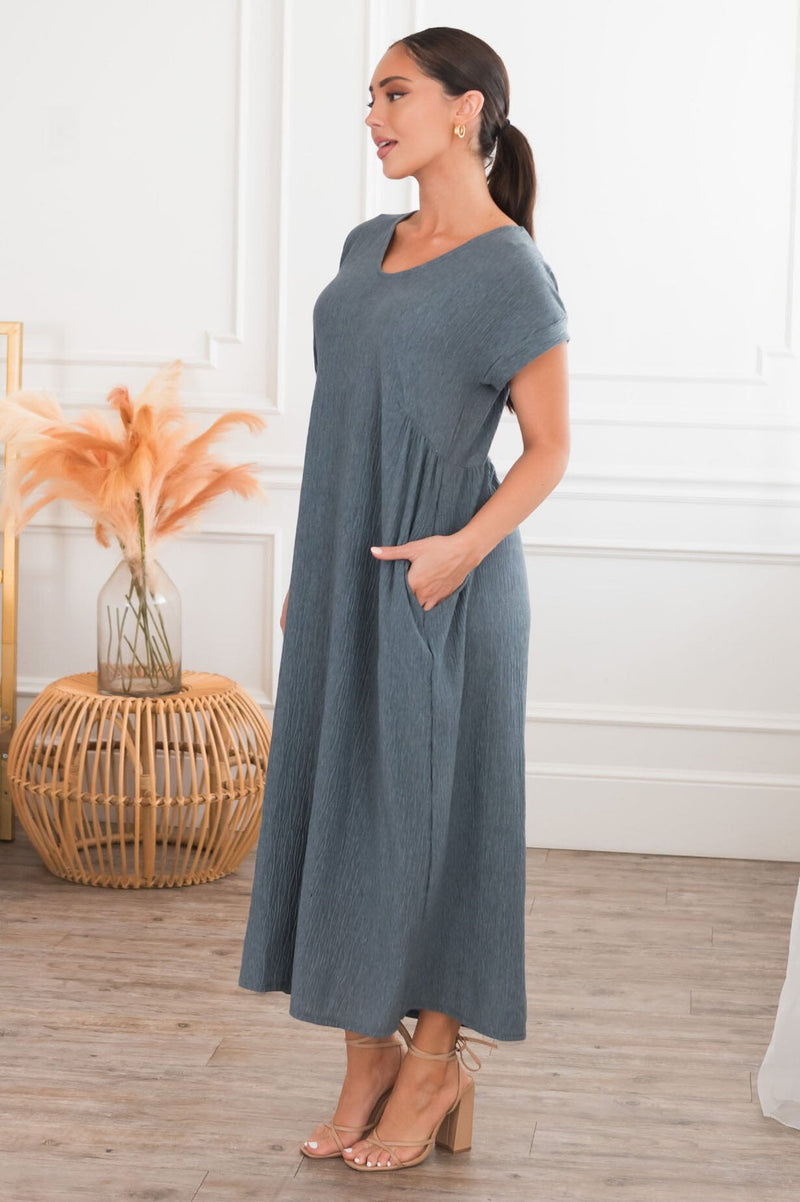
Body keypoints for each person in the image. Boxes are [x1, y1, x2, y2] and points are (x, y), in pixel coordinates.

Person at [238, 25, 571, 1173]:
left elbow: (547, 448)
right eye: (368, 98)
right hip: (345, 576)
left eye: (394, 94)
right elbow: (348, 423)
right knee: (346, 817)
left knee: (441, 826)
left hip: (446, 589)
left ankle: (433, 1062)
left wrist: (458, 553)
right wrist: (313, 568)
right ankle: (363, 1060)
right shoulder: (362, 242)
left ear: (465, 109)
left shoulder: (509, 268)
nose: (373, 116)